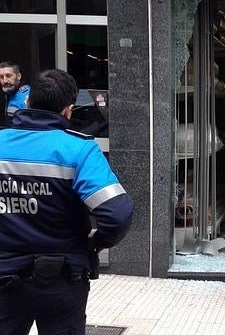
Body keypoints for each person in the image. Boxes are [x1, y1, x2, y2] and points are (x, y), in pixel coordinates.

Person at [0, 69, 134, 334]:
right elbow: (117, 214)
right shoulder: (79, 149)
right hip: (62, 279)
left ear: (27, 103)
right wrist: (96, 241)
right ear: (68, 111)